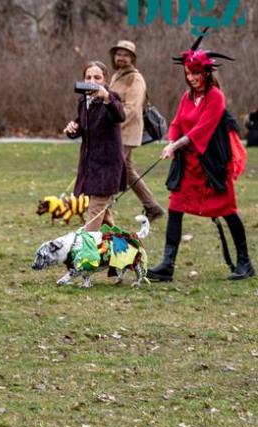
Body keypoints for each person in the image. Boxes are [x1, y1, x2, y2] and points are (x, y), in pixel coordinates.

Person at [147, 37, 253, 281]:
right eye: (188, 73)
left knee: (227, 210)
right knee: (175, 207)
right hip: (189, 165)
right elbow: (177, 123)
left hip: (212, 164)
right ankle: (167, 265)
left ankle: (245, 263)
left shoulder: (216, 97)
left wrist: (177, 144)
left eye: (196, 73)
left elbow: (200, 130)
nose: (192, 78)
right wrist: (171, 141)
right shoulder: (187, 97)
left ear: (205, 72)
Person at [63, 61, 126, 232]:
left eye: (97, 77)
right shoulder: (83, 101)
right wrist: (73, 129)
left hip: (107, 167)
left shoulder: (112, 99)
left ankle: (87, 253)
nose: (92, 80)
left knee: (95, 210)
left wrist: (106, 97)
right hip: (89, 166)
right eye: (88, 77)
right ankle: (120, 247)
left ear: (105, 80)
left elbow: (120, 115)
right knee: (104, 217)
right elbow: (82, 126)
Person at [109, 40, 165, 221]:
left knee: (113, 168)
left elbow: (132, 109)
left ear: (132, 58)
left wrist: (112, 124)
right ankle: (153, 207)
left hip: (126, 132)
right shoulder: (117, 75)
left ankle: (103, 209)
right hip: (117, 130)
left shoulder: (135, 78)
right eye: (119, 54)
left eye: (126, 55)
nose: (121, 58)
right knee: (128, 171)